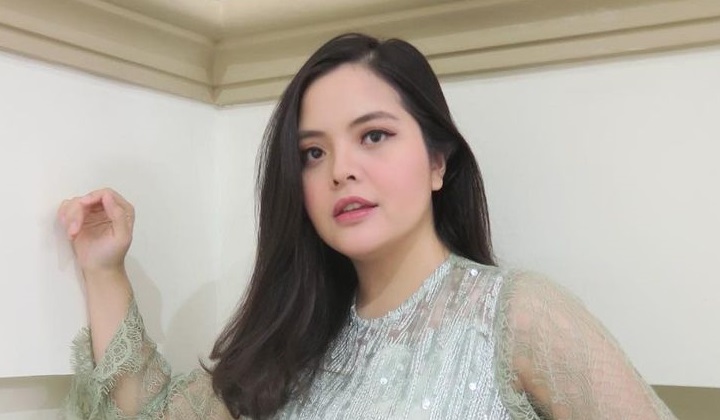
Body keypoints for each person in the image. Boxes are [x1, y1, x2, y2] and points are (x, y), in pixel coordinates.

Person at [57, 33, 676, 419]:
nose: (341, 170)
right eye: (313, 152)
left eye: (374, 136)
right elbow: (153, 414)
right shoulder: (290, 341)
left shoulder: (516, 315)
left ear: (438, 162)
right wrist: (105, 269)